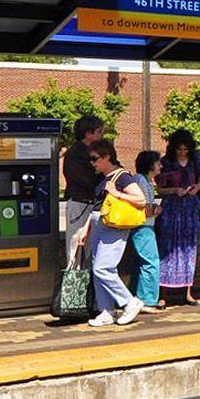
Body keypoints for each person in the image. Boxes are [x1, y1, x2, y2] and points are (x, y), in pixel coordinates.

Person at [70, 139, 147, 328]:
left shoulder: (122, 177)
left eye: (95, 158)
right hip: (99, 223)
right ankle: (106, 311)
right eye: (91, 159)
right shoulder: (102, 178)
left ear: (107, 157)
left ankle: (129, 301)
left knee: (103, 268)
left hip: (114, 226)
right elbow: (96, 206)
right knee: (98, 268)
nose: (92, 162)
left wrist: (117, 193)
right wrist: (85, 228)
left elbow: (141, 199)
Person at [155, 129, 200, 305]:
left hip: (190, 208)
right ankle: (163, 294)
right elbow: (159, 189)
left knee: (189, 248)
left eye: (185, 149)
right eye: (179, 149)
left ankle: (188, 291)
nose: (183, 152)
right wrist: (174, 190)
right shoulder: (166, 163)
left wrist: (196, 188)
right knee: (167, 247)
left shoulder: (196, 160)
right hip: (171, 208)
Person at [128, 149, 164, 309]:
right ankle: (147, 299)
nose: (160, 166)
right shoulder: (141, 181)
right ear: (150, 165)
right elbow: (144, 207)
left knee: (141, 263)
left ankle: (136, 296)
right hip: (142, 227)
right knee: (151, 262)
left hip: (146, 225)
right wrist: (155, 209)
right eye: (158, 163)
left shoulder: (147, 181)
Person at [62, 114, 105, 239]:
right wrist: (102, 183)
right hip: (80, 202)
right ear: (88, 134)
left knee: (92, 244)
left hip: (94, 203)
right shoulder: (74, 153)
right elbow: (83, 178)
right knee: (76, 241)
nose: (102, 135)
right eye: (99, 131)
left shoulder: (98, 151)